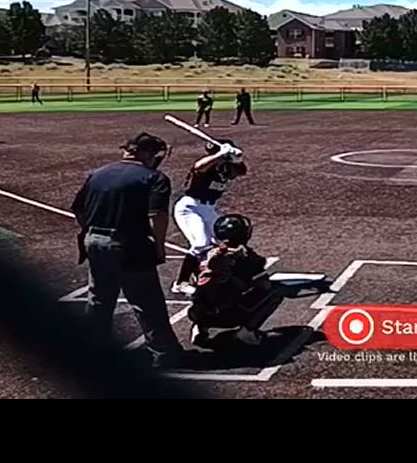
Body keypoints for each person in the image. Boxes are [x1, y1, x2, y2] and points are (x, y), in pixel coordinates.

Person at [71, 133, 184, 368]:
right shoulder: (154, 178)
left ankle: (93, 350)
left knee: (99, 299)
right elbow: (157, 216)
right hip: (130, 244)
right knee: (147, 301)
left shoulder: (98, 174)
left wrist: (92, 234)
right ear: (147, 154)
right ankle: (164, 353)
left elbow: (79, 210)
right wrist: (159, 246)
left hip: (95, 241)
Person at [187, 214, 280, 347]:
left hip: (197, 313)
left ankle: (200, 328)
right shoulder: (244, 258)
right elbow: (258, 267)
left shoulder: (203, 255)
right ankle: (247, 332)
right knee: (273, 290)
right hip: (229, 315)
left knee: (207, 297)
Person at [170, 140, 247, 295]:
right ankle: (180, 283)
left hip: (208, 209)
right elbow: (198, 166)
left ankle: (214, 273)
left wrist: (237, 158)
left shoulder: (225, 167)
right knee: (200, 243)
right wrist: (221, 154)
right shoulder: (208, 165)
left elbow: (241, 171)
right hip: (190, 208)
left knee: (225, 239)